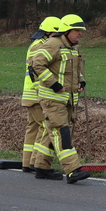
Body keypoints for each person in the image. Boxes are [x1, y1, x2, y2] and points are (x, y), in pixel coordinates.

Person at [29, 13, 90, 183]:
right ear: (67, 30)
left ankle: (42, 167)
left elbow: (74, 71)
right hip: (53, 99)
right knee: (61, 132)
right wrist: (54, 84)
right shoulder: (53, 44)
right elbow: (37, 64)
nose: (80, 33)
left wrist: (81, 81)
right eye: (77, 30)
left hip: (67, 100)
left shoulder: (72, 48)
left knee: (51, 133)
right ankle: (72, 169)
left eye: (81, 31)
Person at [20, 16, 62, 173]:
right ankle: (35, 162)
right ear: (50, 33)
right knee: (45, 126)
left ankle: (27, 163)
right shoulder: (41, 47)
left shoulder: (36, 44)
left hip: (30, 95)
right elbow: (37, 72)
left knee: (33, 128)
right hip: (37, 95)